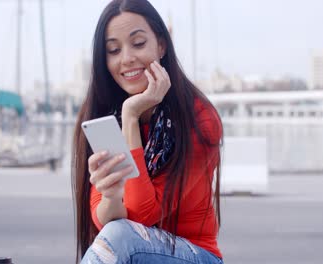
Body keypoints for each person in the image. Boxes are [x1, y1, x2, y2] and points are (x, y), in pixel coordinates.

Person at [72, 0, 223, 263]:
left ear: (161, 45)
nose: (127, 58)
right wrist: (111, 194)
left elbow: (142, 216)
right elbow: (105, 221)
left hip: (196, 255)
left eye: (138, 43)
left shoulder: (199, 118)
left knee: (121, 237)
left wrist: (130, 116)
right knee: (117, 234)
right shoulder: (105, 118)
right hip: (134, 252)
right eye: (113, 50)